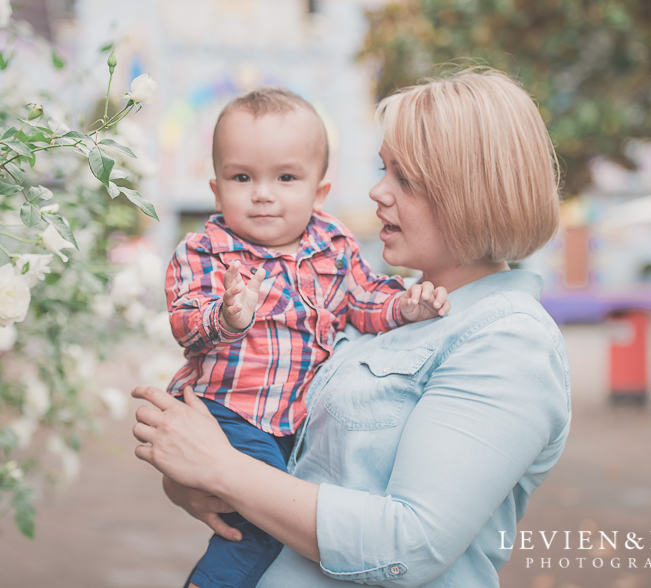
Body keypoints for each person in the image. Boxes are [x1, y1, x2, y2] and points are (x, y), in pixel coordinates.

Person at [133, 67, 571, 587]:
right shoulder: (378, 304)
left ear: (469, 191)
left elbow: (410, 544)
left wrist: (222, 470)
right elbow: (296, 459)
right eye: (382, 169)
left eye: (403, 178)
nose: (376, 192)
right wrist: (196, 478)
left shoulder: (507, 340)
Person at [163, 86, 450, 588]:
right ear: (216, 189)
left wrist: (404, 307)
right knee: (258, 526)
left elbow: (364, 299)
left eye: (286, 177)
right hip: (230, 409)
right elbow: (185, 322)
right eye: (242, 177)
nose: (263, 193)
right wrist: (227, 316)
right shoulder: (206, 250)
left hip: (291, 419)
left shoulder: (332, 244)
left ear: (319, 192)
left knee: (271, 514)